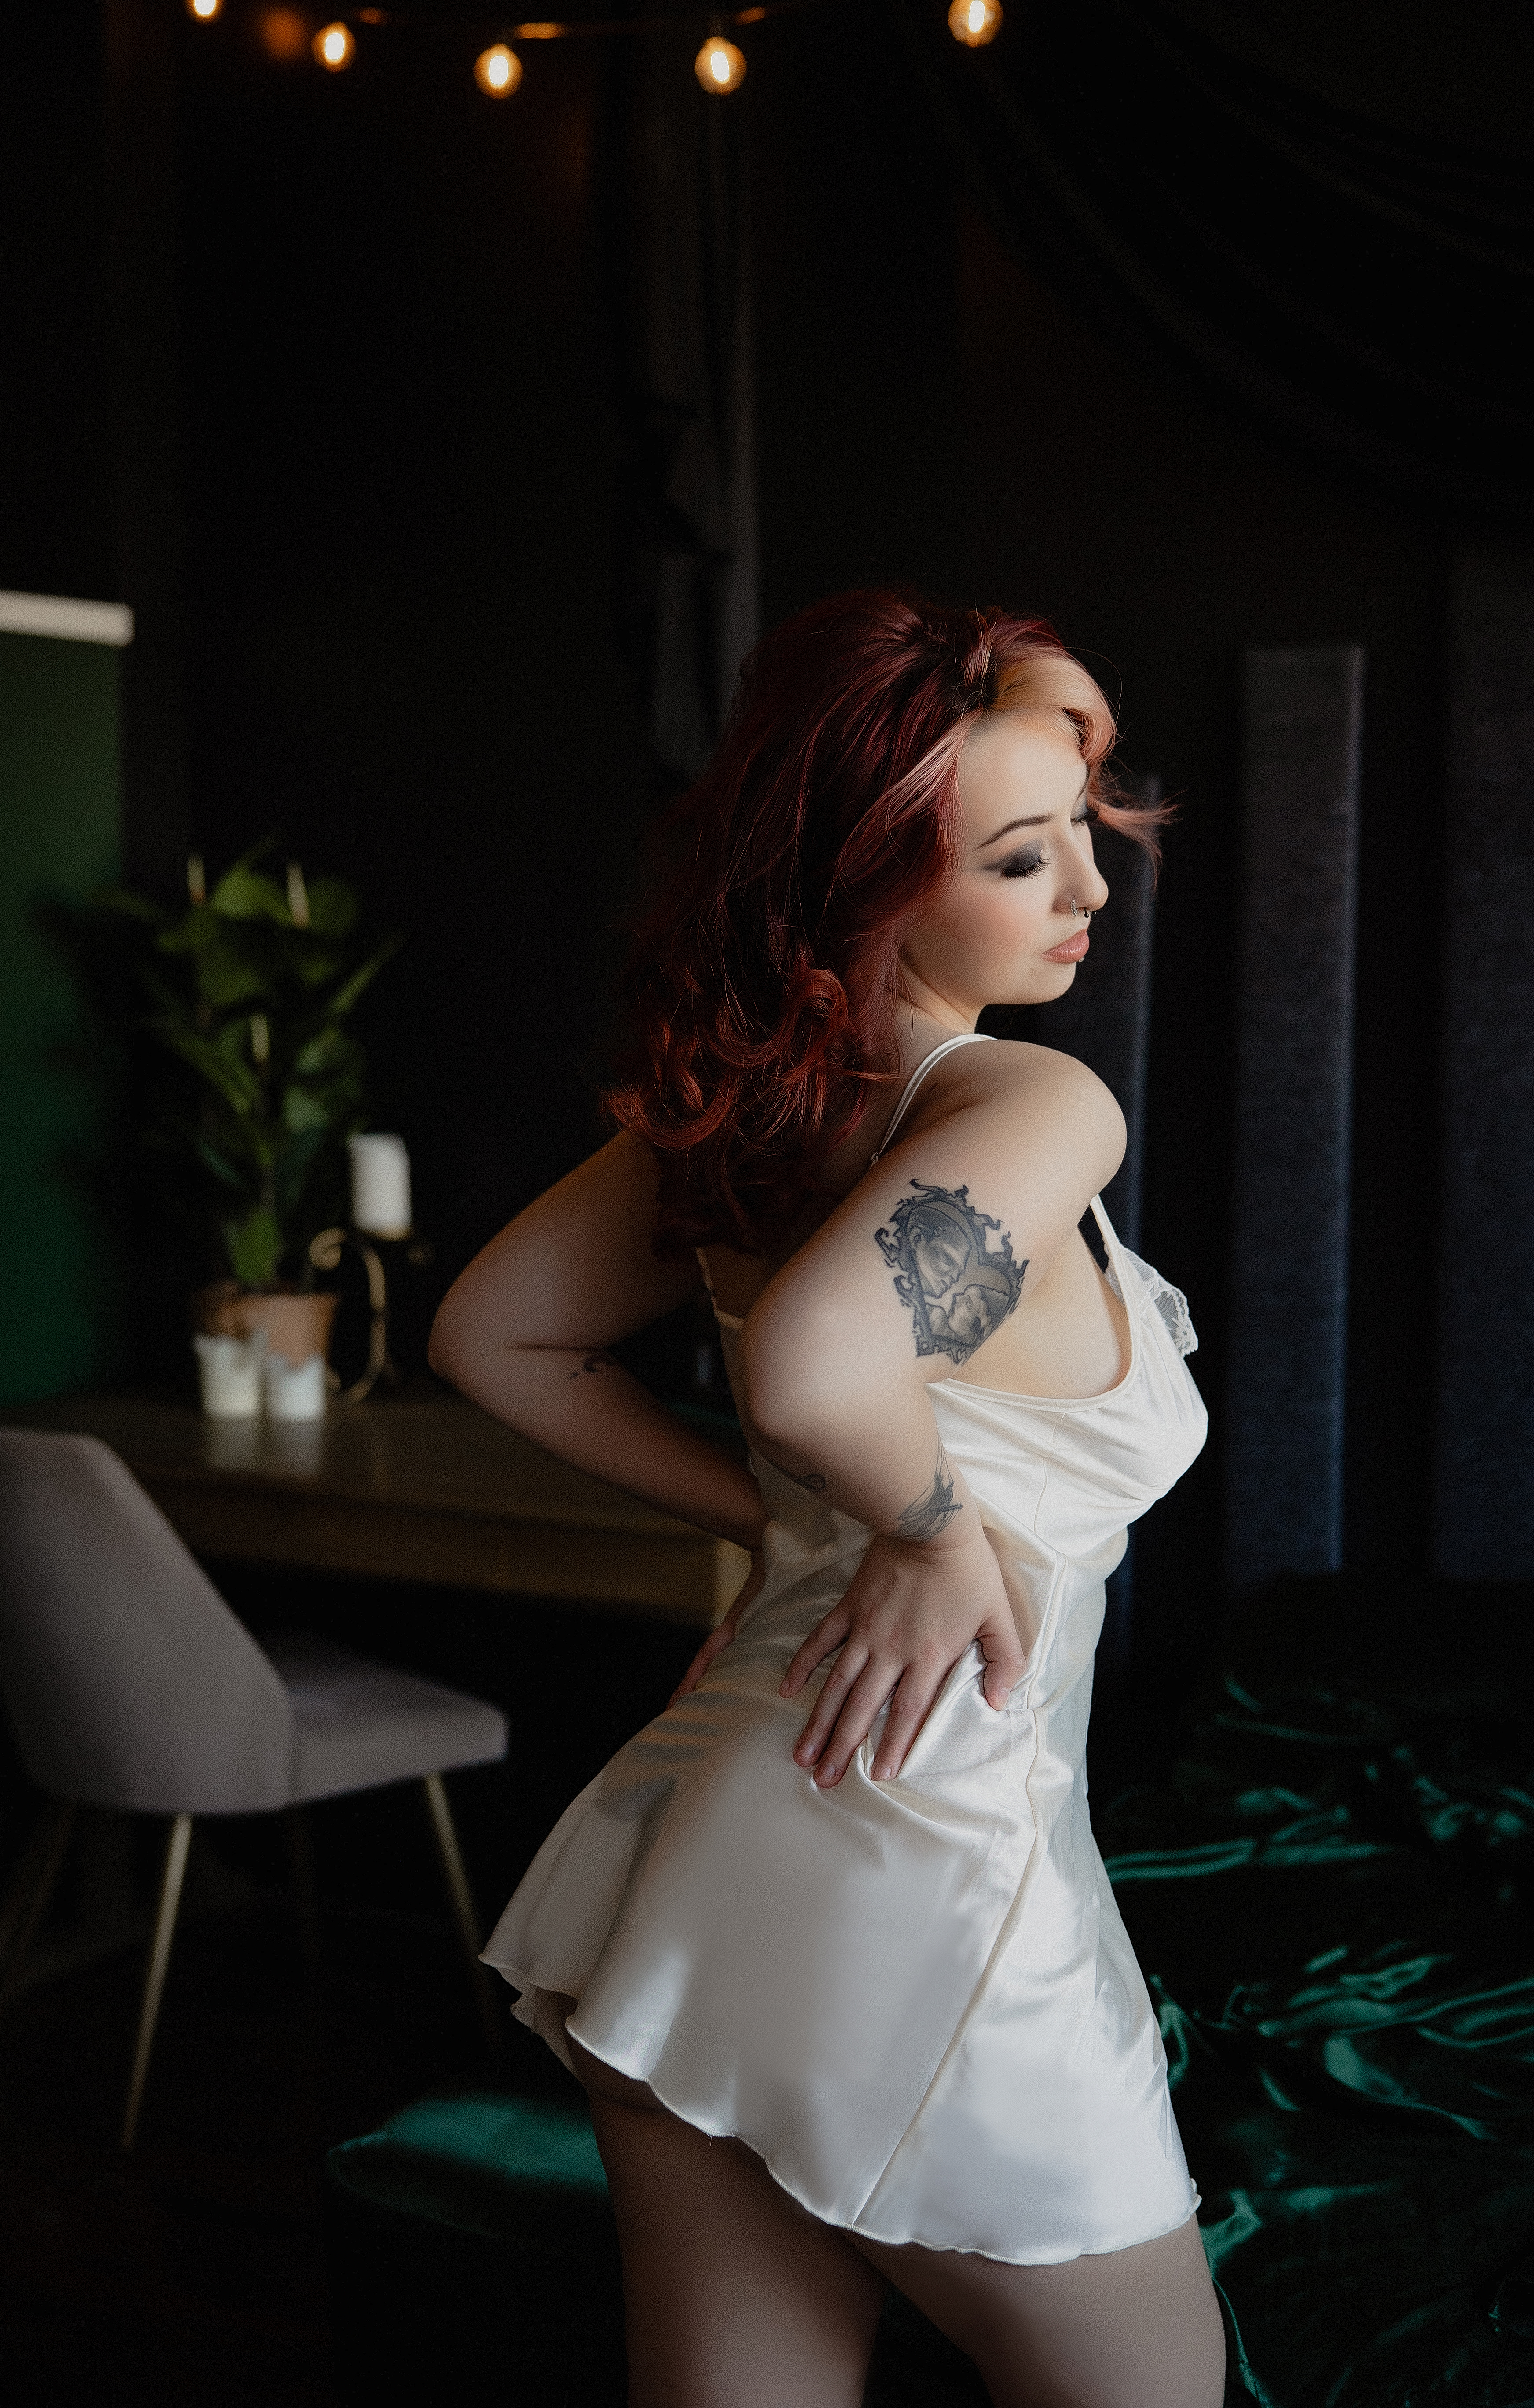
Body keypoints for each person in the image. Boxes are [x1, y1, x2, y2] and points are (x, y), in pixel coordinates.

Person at [428, 590, 1226, 2408]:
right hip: (922, 1867)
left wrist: (791, 1527)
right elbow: (813, 1373)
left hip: (702, 1848)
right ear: (873, 886)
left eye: (1085, 843)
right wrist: (926, 1530)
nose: (1091, 897)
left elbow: (492, 1339)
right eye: (1026, 861)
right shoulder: (1038, 1107)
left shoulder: (748, 1117)